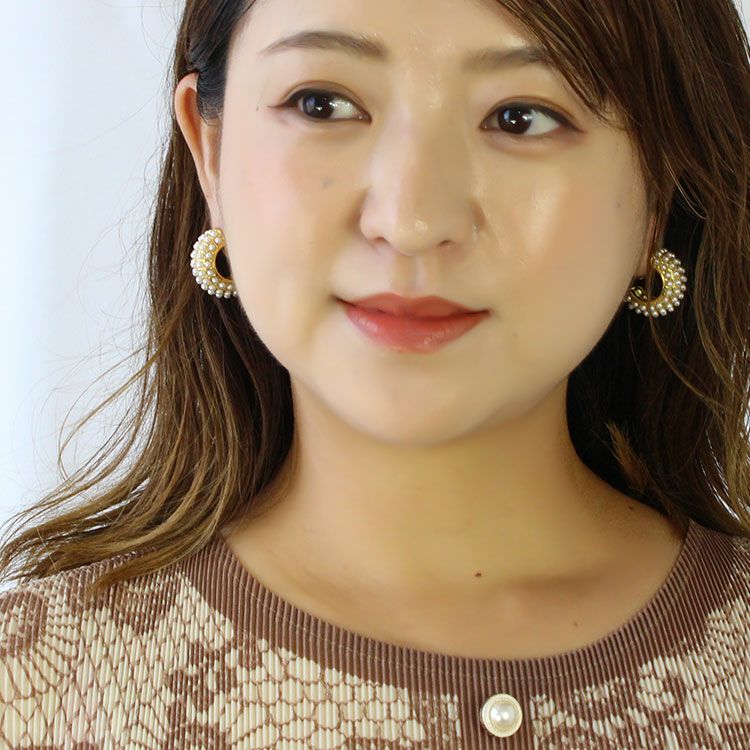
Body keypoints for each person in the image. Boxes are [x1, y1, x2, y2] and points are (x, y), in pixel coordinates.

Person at [1, 0, 749, 746]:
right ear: (212, 153)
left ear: (658, 191)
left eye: (521, 118)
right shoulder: (29, 692)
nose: (410, 221)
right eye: (321, 105)